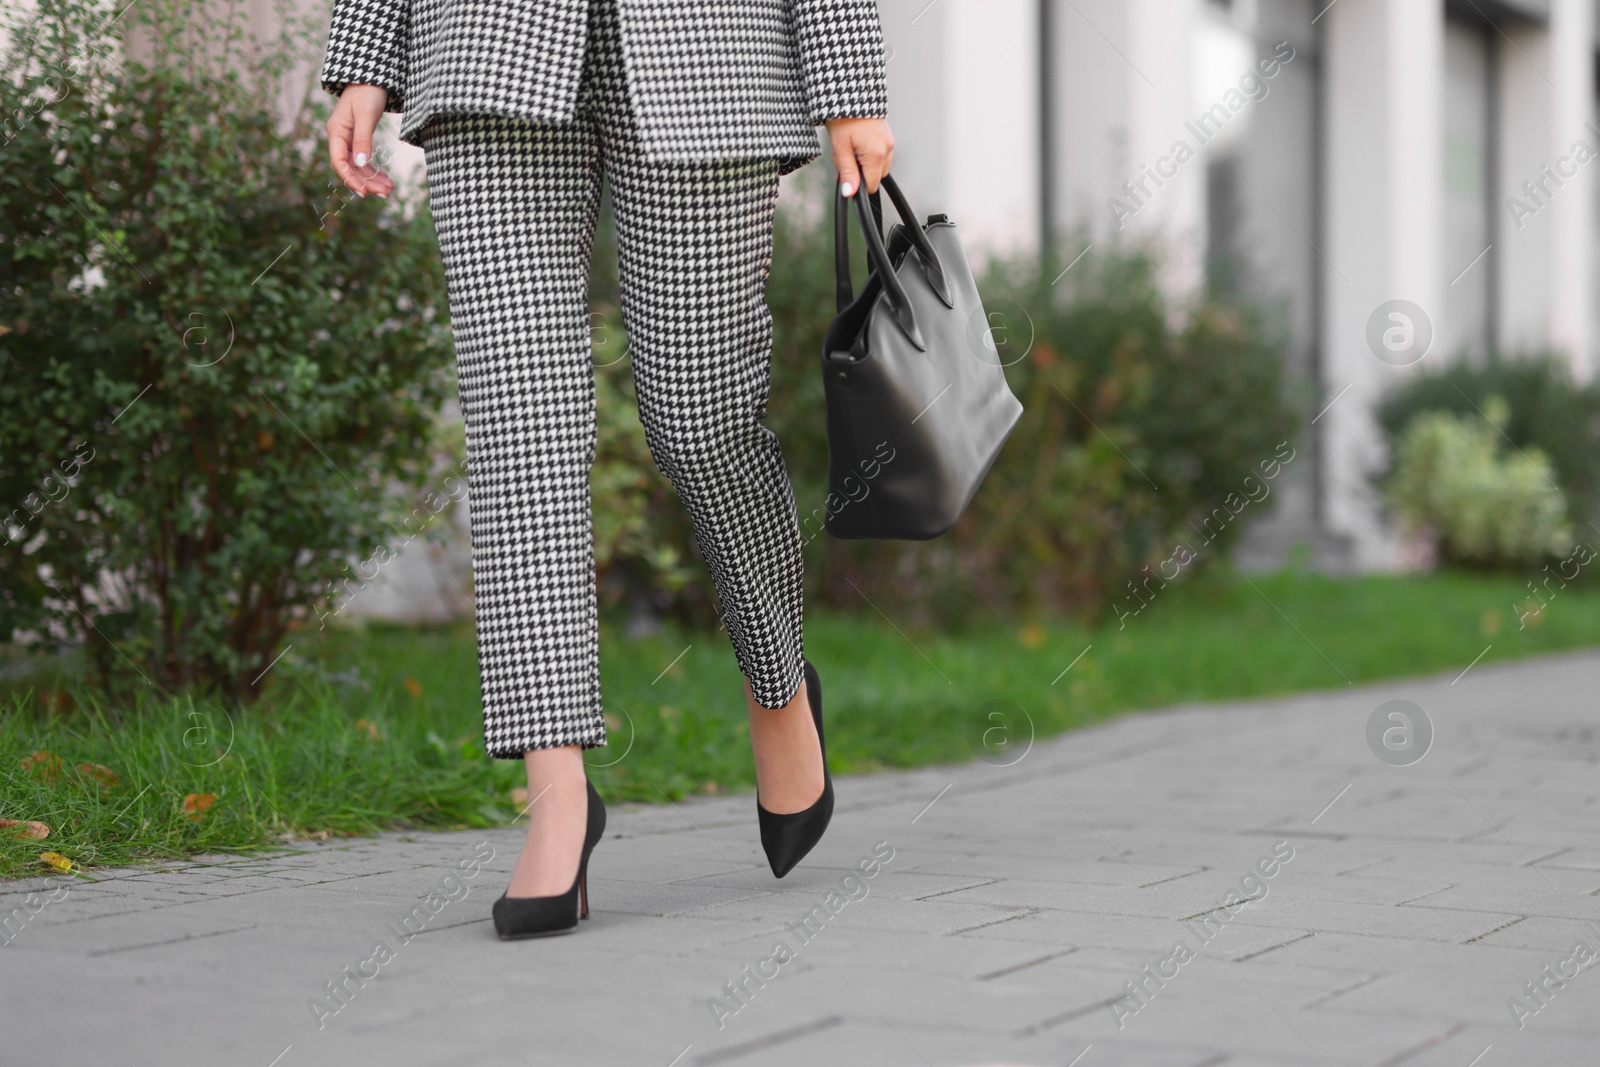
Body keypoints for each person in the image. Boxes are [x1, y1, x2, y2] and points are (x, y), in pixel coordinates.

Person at [319, 0, 894, 938]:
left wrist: (848, 84)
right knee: (520, 425)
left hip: (709, 52)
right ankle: (557, 796)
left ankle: (780, 685)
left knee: (700, 419)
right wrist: (366, 55)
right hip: (485, 48)